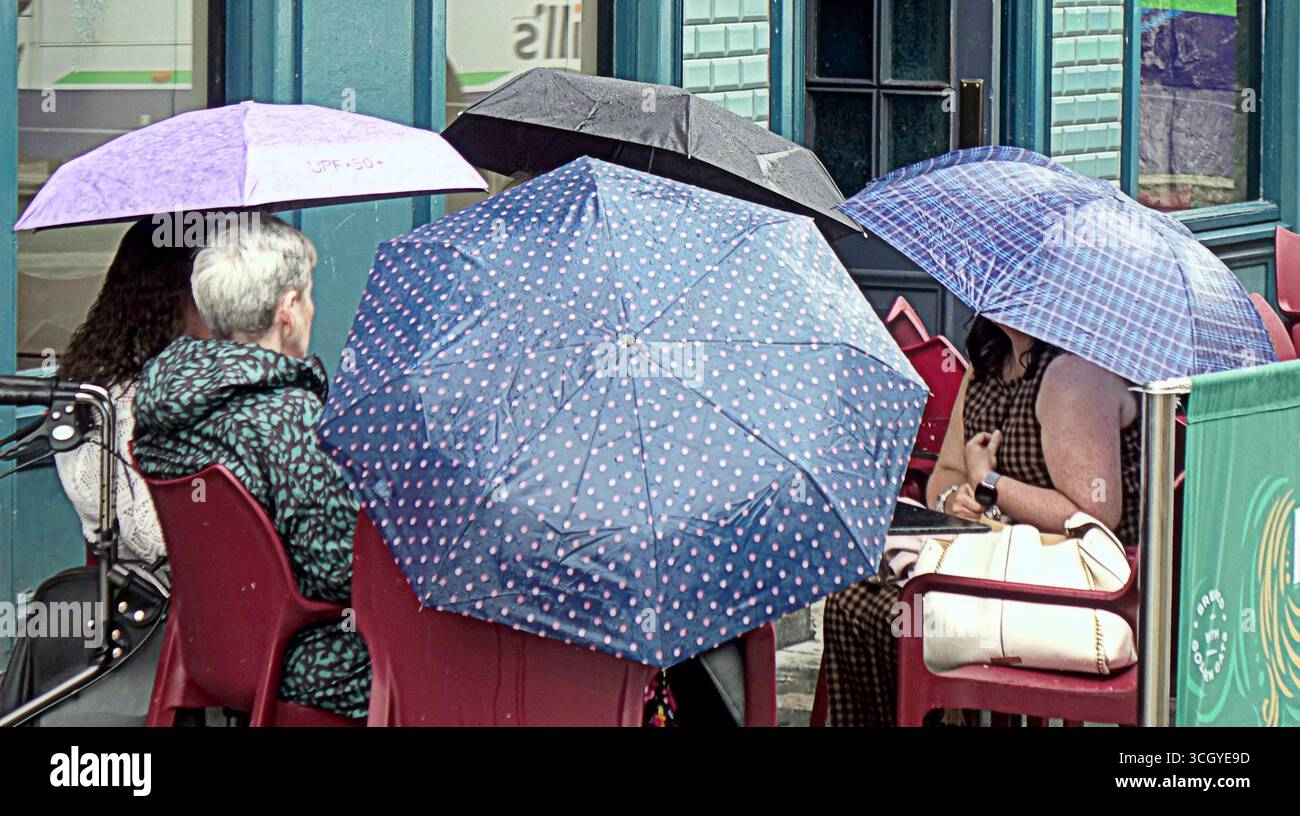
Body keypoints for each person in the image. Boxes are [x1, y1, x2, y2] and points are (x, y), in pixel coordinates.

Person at [821, 316, 1142, 726]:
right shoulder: (986, 363)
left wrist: (989, 483)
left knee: (904, 619)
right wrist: (956, 499)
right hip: (987, 563)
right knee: (851, 602)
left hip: (1061, 584)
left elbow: (1093, 514)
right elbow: (948, 473)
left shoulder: (1074, 373)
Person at [132, 214, 369, 719]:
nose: (312, 307)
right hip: (307, 660)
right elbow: (340, 572)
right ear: (287, 310)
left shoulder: (167, 407)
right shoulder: (289, 419)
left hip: (213, 648)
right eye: (307, 295)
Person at [56, 218, 211, 564]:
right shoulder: (120, 398)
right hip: (165, 591)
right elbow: (153, 537)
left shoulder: (172, 372)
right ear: (174, 299)